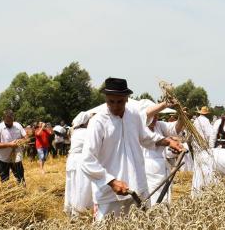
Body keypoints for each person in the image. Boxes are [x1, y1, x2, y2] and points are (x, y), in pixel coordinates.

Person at [80, 78, 184, 222]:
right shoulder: (98, 122)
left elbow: (146, 137)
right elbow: (87, 160)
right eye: (111, 101)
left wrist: (168, 141)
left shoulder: (134, 115)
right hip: (110, 194)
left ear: (127, 99)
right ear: (106, 99)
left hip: (137, 187)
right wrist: (111, 181)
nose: (115, 106)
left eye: (120, 101)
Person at [65, 111, 94, 217]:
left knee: (72, 185)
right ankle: (80, 210)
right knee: (82, 186)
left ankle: (72, 209)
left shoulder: (75, 132)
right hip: (81, 161)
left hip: (72, 160)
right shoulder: (86, 132)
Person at [0, 110, 27, 185]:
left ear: (13, 118)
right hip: (3, 159)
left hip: (16, 158)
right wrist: (10, 145)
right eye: (7, 122)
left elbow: (26, 137)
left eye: (10, 121)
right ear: (3, 119)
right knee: (5, 180)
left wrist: (21, 141)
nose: (9, 123)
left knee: (20, 178)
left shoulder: (18, 126)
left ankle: (23, 192)